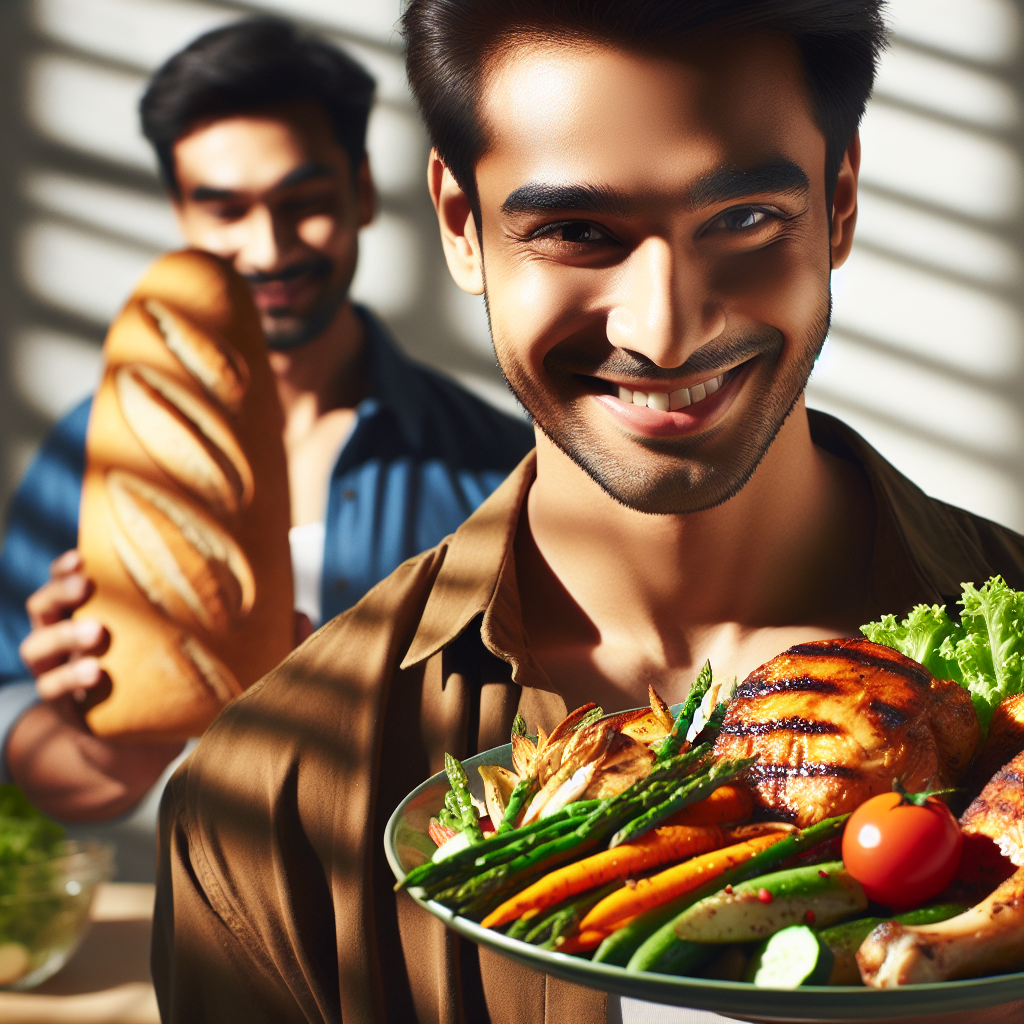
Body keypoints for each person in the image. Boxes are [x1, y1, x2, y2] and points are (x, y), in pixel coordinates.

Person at [152, 3, 1024, 1023]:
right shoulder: (270, 797)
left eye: (742, 218)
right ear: (460, 226)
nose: (663, 330)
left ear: (837, 204)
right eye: (574, 231)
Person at [0, 17, 533, 826]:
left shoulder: (492, 464)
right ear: (180, 210)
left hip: (413, 918)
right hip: (207, 908)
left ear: (361, 192)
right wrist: (107, 743)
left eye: (304, 202)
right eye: (225, 209)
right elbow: (59, 773)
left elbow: (537, 743)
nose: (269, 246)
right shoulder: (90, 456)